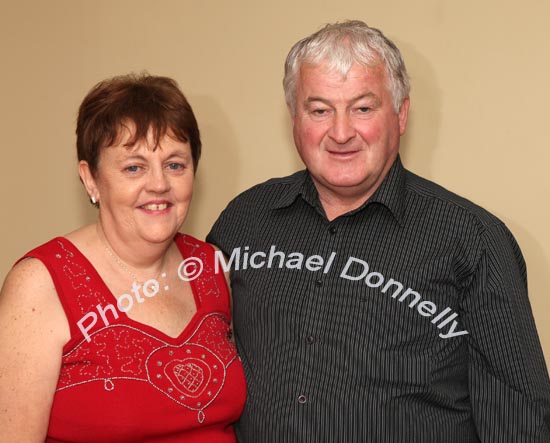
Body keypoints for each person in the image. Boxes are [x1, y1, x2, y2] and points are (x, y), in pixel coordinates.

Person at [207, 20, 550, 442]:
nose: (341, 132)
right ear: (294, 118)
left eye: (363, 108)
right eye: (319, 110)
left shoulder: (473, 240)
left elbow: (520, 422)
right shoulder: (244, 222)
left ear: (401, 114)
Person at [0, 74, 245, 442]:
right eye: (134, 167)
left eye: (175, 164)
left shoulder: (213, 266)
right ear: (91, 180)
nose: (159, 184)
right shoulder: (40, 285)